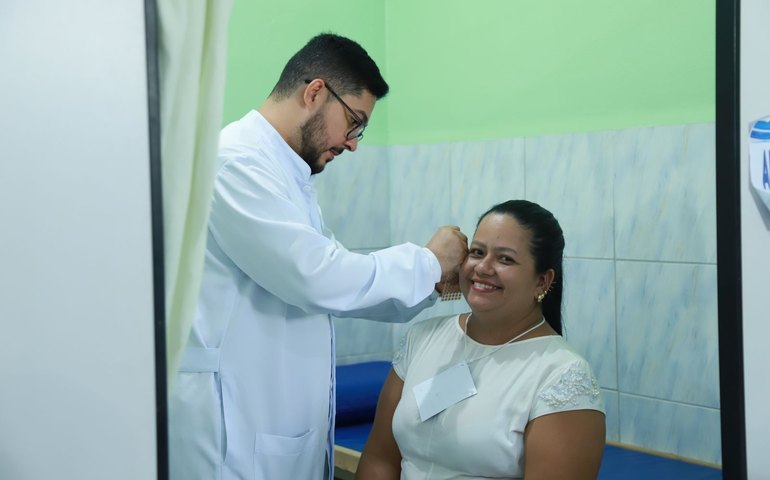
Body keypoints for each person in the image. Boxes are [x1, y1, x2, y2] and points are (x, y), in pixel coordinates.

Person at [168, 33, 468, 480]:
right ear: (314, 92)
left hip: (272, 429)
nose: (353, 143)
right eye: (354, 122)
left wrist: (434, 283)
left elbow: (334, 283)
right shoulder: (236, 164)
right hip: (235, 435)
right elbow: (317, 277)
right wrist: (428, 260)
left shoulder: (285, 173)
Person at [356, 200, 606, 480]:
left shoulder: (561, 374)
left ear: (542, 281)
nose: (483, 268)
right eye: (477, 252)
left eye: (505, 259)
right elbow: (380, 458)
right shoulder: (423, 337)